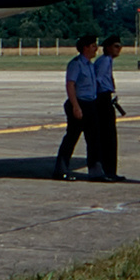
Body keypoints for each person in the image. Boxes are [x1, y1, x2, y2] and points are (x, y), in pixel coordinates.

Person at [54, 35, 101, 180]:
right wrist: (75, 106)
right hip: (79, 103)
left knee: (93, 140)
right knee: (72, 138)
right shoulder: (76, 64)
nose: (96, 49)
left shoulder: (90, 65)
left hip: (90, 104)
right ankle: (61, 169)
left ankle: (95, 171)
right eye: (93, 46)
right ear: (85, 48)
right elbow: (70, 85)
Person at [93, 36, 125, 181]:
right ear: (108, 47)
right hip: (102, 98)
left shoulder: (107, 61)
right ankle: (108, 171)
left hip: (105, 97)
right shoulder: (105, 61)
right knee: (108, 137)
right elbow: (98, 79)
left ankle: (110, 170)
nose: (119, 49)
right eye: (116, 46)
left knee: (108, 136)